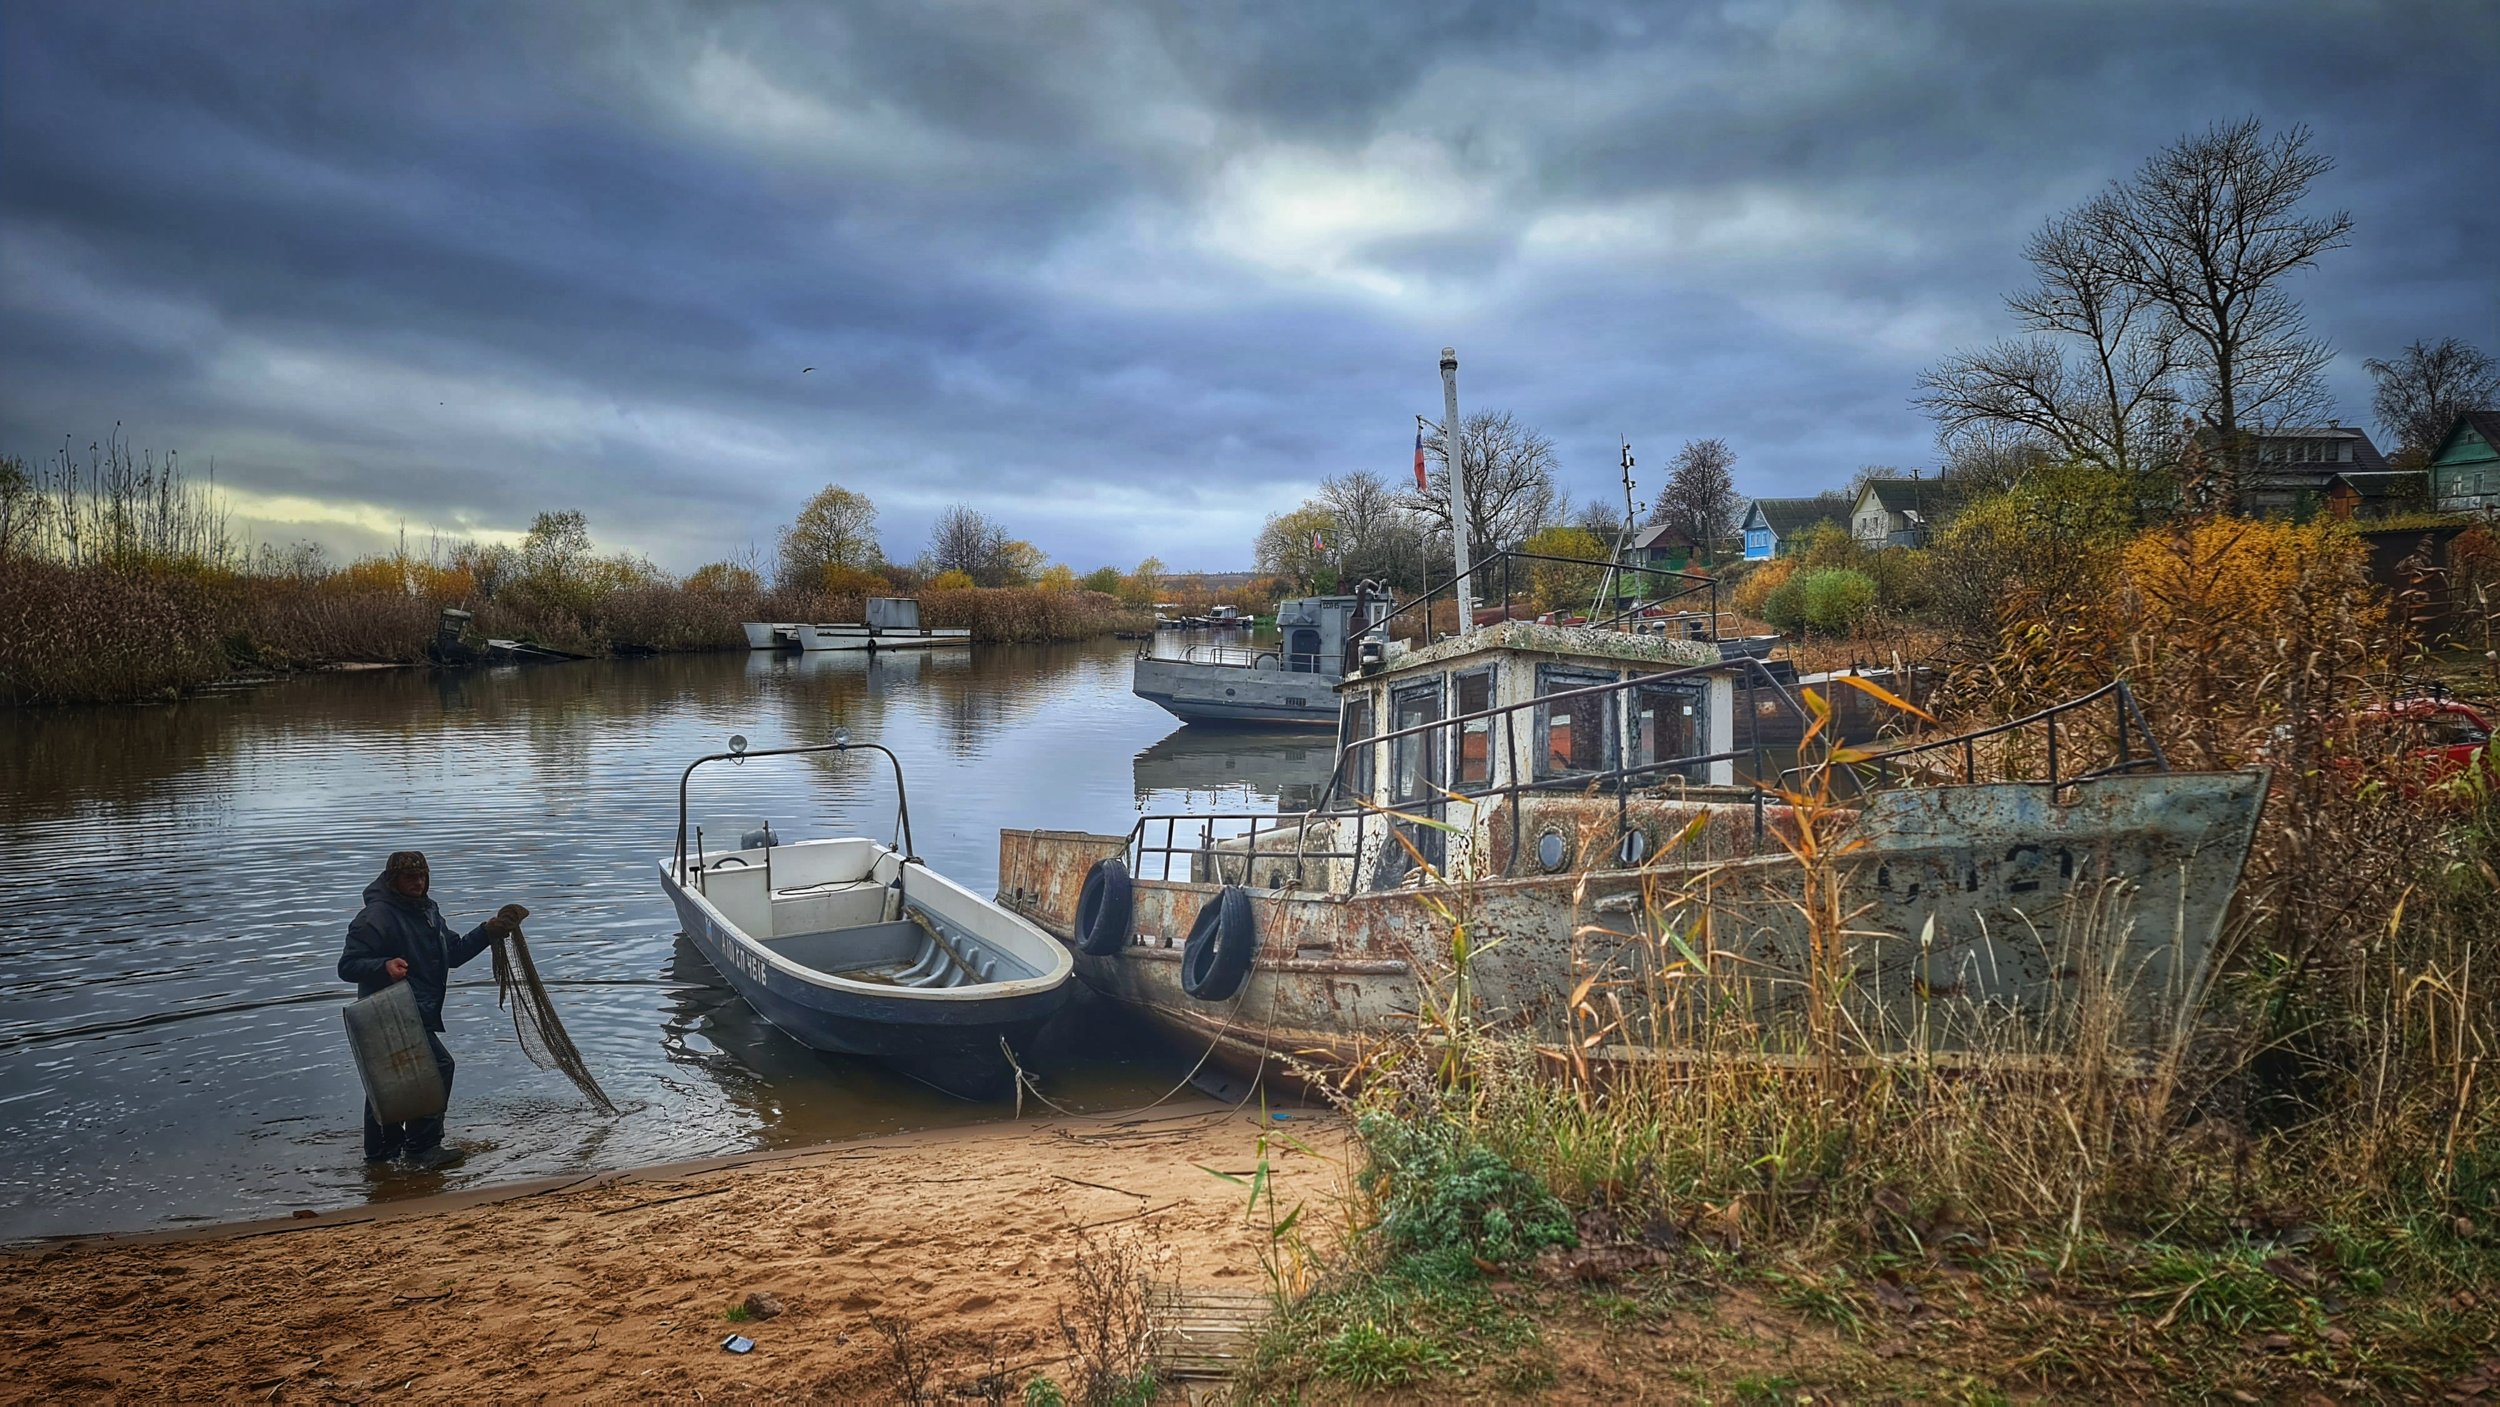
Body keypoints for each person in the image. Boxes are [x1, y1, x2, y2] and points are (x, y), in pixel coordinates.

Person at [337, 851, 527, 1169]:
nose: (418, 882)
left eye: (422, 876)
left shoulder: (428, 910)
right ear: (392, 880)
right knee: (436, 1068)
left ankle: (382, 1154)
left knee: (389, 1079)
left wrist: (487, 931)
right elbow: (347, 966)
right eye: (410, 877)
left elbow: (452, 953)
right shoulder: (375, 917)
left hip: (416, 1009)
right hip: (387, 1012)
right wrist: (383, 966)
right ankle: (422, 1149)